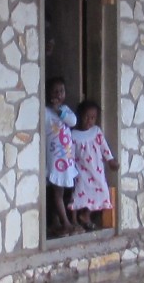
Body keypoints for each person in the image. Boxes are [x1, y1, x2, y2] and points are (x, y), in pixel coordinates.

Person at [69, 100, 119, 231]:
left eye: (93, 118)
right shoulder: (73, 135)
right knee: (78, 193)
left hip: (96, 170)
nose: (89, 121)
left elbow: (104, 147)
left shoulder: (96, 131)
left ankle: (86, 215)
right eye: (86, 117)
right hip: (80, 171)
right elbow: (70, 154)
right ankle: (74, 221)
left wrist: (110, 160)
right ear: (79, 116)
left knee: (102, 190)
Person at [45, 77, 80, 237]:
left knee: (62, 192)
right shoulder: (46, 112)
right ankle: (66, 223)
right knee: (57, 192)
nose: (59, 94)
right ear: (49, 94)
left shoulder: (65, 110)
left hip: (67, 161)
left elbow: (73, 122)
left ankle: (56, 223)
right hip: (55, 162)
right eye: (55, 91)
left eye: (62, 91)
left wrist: (60, 110)